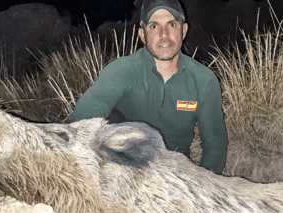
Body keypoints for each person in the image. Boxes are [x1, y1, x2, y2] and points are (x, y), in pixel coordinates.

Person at [70, 0, 228, 174]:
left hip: (175, 172)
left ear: (183, 31)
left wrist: (203, 187)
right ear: (142, 34)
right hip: (123, 168)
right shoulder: (122, 70)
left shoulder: (203, 80)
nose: (164, 34)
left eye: (172, 24)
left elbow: (215, 146)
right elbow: (82, 118)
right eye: (154, 26)